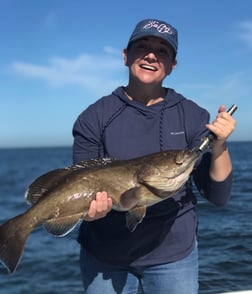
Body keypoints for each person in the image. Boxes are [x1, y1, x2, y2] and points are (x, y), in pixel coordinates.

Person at [72, 19, 236, 294]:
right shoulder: (94, 117)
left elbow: (218, 196)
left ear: (172, 65)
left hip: (174, 256)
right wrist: (86, 212)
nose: (151, 55)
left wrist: (219, 145)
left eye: (162, 51)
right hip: (104, 255)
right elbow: (79, 182)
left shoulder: (193, 116)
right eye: (142, 46)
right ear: (126, 56)